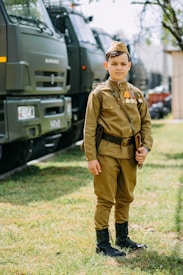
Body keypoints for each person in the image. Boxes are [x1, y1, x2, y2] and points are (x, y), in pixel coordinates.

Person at [83, 41, 153, 257]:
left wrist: (145, 148)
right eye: (114, 63)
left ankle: (122, 238)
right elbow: (90, 127)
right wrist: (91, 157)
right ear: (106, 65)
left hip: (130, 154)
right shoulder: (99, 94)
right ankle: (102, 243)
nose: (119, 67)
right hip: (106, 154)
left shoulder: (137, 94)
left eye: (123, 63)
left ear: (129, 65)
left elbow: (146, 124)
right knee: (105, 198)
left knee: (125, 197)